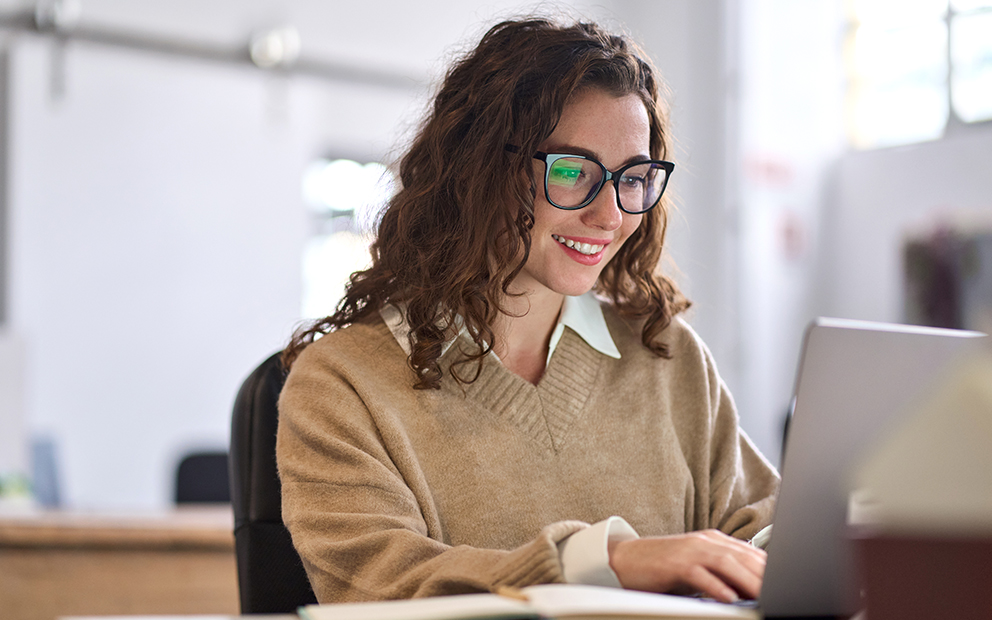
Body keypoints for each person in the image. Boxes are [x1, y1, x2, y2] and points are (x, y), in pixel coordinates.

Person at [276, 17, 779, 605]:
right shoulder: (341, 385)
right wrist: (606, 562)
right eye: (571, 172)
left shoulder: (669, 358)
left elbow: (762, 535)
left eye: (634, 178)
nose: (611, 216)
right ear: (478, 170)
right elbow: (383, 587)